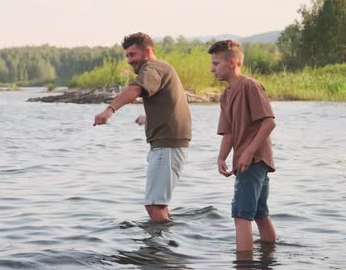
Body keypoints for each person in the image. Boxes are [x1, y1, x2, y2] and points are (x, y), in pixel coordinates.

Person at [93, 32, 192, 223]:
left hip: (168, 146)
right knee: (159, 204)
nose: (129, 60)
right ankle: (163, 244)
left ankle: (158, 251)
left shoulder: (152, 68)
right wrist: (150, 117)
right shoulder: (162, 68)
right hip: (168, 144)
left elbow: (135, 89)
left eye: (132, 55)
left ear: (147, 51)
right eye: (127, 56)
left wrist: (109, 110)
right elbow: (172, 104)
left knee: (154, 205)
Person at [208, 40, 277, 253]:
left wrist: (248, 153)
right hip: (245, 161)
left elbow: (269, 122)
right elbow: (228, 132)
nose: (212, 69)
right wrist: (221, 157)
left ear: (232, 62)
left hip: (254, 161)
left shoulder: (250, 86)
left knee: (241, 215)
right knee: (259, 213)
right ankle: (269, 258)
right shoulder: (226, 95)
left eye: (216, 63)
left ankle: (243, 265)